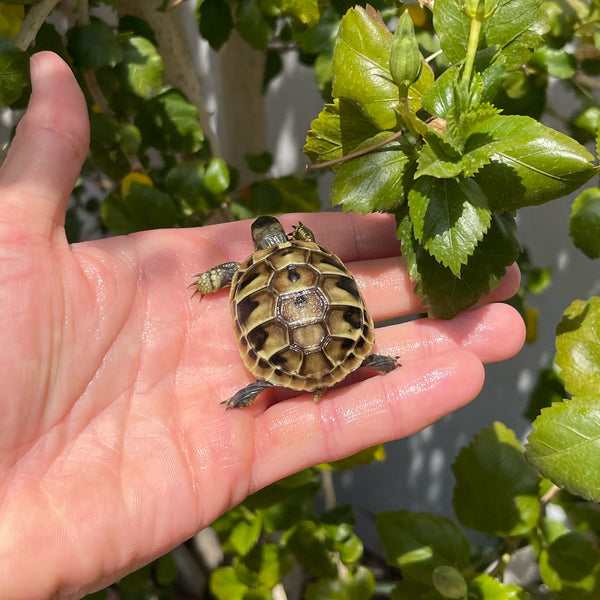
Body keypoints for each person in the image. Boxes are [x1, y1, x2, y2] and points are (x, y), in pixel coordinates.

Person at [0, 52, 525, 600]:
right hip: (334, 325)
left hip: (279, 349)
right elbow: (326, 268)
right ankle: (364, 357)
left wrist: (208, 281)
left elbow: (224, 277)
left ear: (258, 243)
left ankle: (273, 381)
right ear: (285, 237)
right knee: (344, 341)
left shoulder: (244, 269)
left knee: (289, 365)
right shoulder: (311, 251)